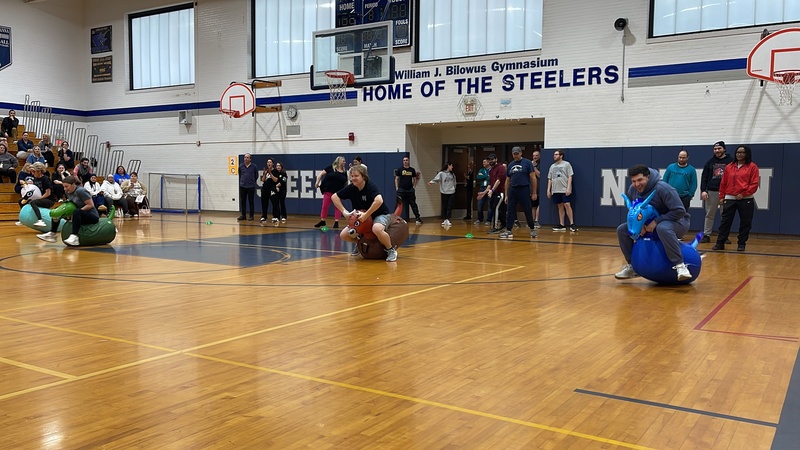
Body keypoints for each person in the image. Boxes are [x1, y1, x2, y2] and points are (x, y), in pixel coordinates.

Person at [615, 165, 692, 281]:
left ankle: (680, 266)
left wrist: (656, 221)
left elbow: (680, 211)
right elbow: (635, 211)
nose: (637, 184)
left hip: (678, 221)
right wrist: (639, 225)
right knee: (622, 230)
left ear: (648, 177)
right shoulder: (632, 190)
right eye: (634, 181)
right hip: (648, 223)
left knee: (663, 228)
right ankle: (633, 266)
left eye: (640, 180)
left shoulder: (663, 188)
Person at [332, 165, 397, 262]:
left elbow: (379, 200)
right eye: (352, 176)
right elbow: (334, 197)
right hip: (361, 217)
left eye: (356, 176)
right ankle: (360, 243)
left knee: (377, 229)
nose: (353, 178)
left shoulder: (370, 186)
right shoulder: (351, 188)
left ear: (363, 176)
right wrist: (344, 212)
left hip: (379, 214)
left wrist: (366, 215)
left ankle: (390, 250)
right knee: (344, 235)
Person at [713, 145, 760, 252]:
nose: (739, 154)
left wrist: (744, 194)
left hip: (746, 199)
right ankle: (720, 242)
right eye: (738, 152)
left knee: (745, 222)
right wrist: (722, 196)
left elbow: (754, 184)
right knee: (725, 221)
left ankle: (741, 243)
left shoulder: (752, 167)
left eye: (742, 152)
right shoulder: (730, 166)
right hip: (730, 198)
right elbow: (723, 183)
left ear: (747, 154)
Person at [36, 175, 99, 246]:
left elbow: (90, 205)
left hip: (91, 216)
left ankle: (74, 237)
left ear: (73, 184)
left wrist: (75, 214)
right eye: (63, 187)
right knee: (56, 212)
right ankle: (52, 234)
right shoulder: (67, 192)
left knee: (77, 212)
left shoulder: (81, 191)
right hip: (78, 214)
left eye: (66, 186)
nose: (65, 189)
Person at [699, 141, 733, 243]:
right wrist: (703, 190)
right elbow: (704, 177)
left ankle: (724, 236)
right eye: (715, 149)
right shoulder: (709, 162)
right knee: (709, 214)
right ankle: (707, 235)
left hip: (726, 192)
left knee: (725, 215)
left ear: (724, 149)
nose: (717, 151)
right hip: (711, 191)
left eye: (719, 148)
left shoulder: (731, 162)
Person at [500, 147, 538, 239]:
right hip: (513, 189)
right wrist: (506, 194)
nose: (515, 155)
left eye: (517, 153)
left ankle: (532, 229)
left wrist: (534, 192)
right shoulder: (511, 165)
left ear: (521, 153)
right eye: (514, 154)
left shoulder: (527, 163)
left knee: (527, 209)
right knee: (510, 210)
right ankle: (508, 230)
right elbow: (507, 180)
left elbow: (533, 178)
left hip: (524, 188)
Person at [547, 149, 577, 232]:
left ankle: (572, 224)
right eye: (554, 154)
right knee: (560, 206)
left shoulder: (566, 164)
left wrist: (568, 188)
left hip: (564, 189)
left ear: (561, 156)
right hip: (555, 190)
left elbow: (570, 176)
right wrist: (548, 190)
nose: (554, 156)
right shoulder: (552, 166)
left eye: (556, 154)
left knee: (567, 205)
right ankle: (562, 224)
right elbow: (550, 178)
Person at [315, 156, 348, 229]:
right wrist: (317, 182)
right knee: (325, 206)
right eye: (343, 161)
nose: (344, 162)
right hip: (328, 190)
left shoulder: (344, 172)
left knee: (337, 207)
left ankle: (336, 222)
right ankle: (322, 221)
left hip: (338, 193)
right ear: (339, 161)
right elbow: (320, 174)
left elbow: (345, 182)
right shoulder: (331, 168)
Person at [22, 162, 55, 227]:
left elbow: (48, 193)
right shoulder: (35, 178)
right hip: (40, 198)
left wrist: (38, 199)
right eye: (32, 171)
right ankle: (24, 217)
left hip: (49, 200)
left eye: (34, 172)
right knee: (21, 200)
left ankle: (40, 220)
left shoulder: (45, 179)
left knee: (33, 202)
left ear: (39, 171)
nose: (32, 173)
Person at [482, 153, 507, 234]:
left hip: (500, 192)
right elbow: (490, 183)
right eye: (489, 160)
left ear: (496, 159)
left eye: (492, 159)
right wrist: (485, 192)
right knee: (494, 208)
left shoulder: (501, 168)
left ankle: (495, 227)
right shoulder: (491, 170)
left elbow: (498, 181)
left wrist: (492, 190)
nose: (491, 161)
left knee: (496, 208)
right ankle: (504, 223)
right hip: (493, 192)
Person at [394, 156, 423, 225]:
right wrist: (397, 188)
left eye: (406, 160)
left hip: (410, 190)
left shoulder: (412, 170)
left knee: (413, 204)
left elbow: (415, 179)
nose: (405, 161)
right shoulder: (400, 169)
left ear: (408, 161)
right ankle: (395, 219)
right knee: (399, 204)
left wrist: (414, 186)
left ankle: (418, 218)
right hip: (401, 190)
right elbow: (396, 179)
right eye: (404, 160)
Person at [428, 162, 456, 226]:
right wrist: (431, 182)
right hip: (444, 192)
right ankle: (445, 219)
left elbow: (454, 182)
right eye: (451, 166)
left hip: (451, 192)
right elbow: (436, 179)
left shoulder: (452, 174)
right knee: (445, 205)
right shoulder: (441, 173)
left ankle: (448, 218)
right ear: (448, 166)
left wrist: (454, 188)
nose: (452, 167)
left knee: (450, 206)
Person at [237, 153, 258, 221]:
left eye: (247, 157)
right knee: (243, 201)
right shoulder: (241, 166)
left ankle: (251, 216)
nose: (245, 159)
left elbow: (256, 175)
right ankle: (243, 215)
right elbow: (240, 174)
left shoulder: (254, 166)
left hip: (251, 186)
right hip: (243, 186)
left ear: (250, 159)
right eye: (245, 157)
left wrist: (252, 181)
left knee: (251, 201)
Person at [260, 158, 278, 223]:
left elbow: (276, 180)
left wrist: (270, 173)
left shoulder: (275, 171)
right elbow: (262, 180)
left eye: (270, 162)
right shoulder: (266, 171)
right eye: (268, 162)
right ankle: (264, 216)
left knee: (274, 203)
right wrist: (265, 174)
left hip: (272, 188)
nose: (269, 164)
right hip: (265, 188)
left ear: (273, 163)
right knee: (264, 203)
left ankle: (275, 216)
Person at [474, 158, 491, 225]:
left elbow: (491, 178)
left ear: (488, 162)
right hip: (482, 188)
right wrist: (486, 176)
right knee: (480, 204)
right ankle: (479, 219)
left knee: (490, 205)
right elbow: (478, 177)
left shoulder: (492, 169)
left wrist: (485, 177)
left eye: (484, 162)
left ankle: (488, 220)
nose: (483, 163)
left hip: (490, 188)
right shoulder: (481, 170)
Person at [531, 149, 542, 229]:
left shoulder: (541, 164)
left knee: (539, 204)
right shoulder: (529, 164)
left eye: (536, 155)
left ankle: (537, 221)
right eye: (534, 156)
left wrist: (534, 167)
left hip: (540, 187)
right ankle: (532, 221)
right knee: (533, 205)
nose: (535, 157)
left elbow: (539, 175)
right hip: (532, 187)